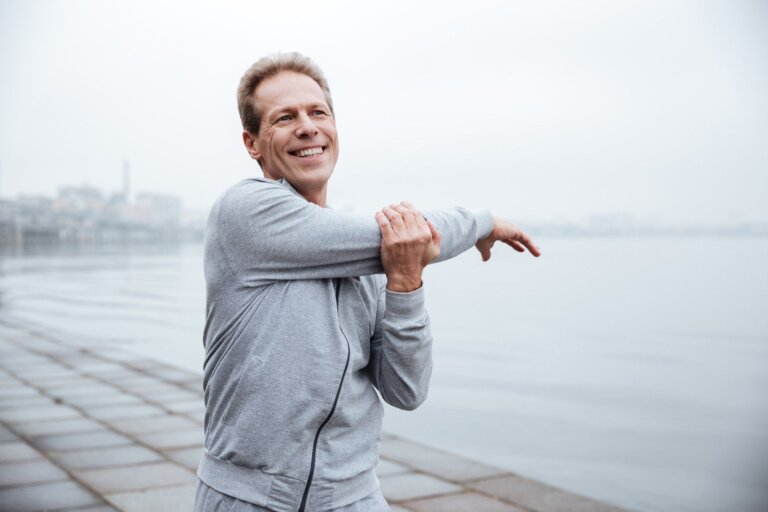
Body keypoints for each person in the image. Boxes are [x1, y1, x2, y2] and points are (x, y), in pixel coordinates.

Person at [194, 52, 540, 512]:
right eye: (284, 118)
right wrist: (481, 222)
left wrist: (405, 283)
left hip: (355, 499)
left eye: (318, 113)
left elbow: (406, 390)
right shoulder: (244, 212)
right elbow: (398, 235)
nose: (307, 126)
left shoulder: (372, 257)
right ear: (252, 143)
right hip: (249, 498)